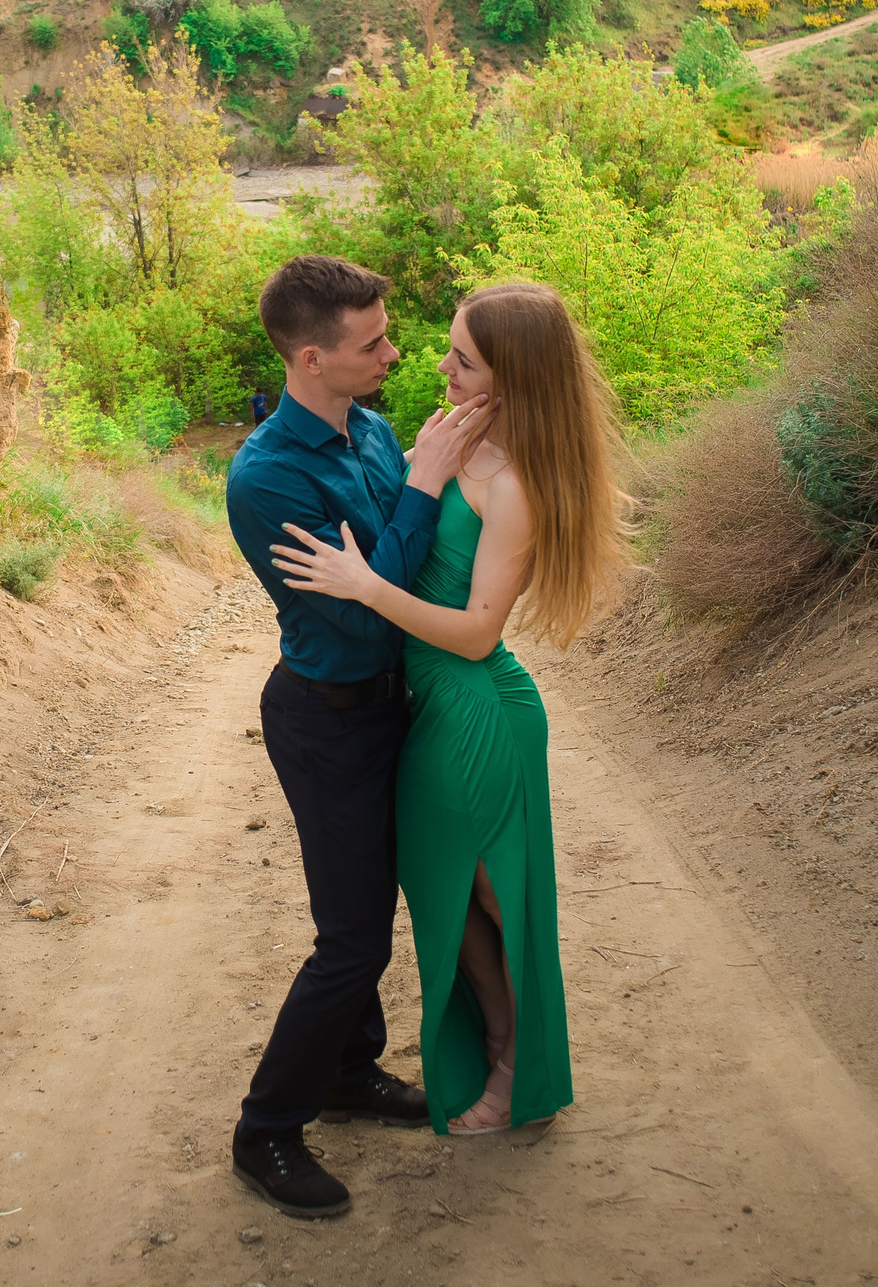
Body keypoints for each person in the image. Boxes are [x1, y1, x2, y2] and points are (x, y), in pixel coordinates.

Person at [271, 282, 625, 1136]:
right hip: (425, 709)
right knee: (447, 896)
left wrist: (366, 586)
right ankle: (495, 1044)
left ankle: (515, 1064)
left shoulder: (516, 484)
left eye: (462, 357)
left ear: (517, 377)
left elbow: (474, 634)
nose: (439, 365)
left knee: (499, 901)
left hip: (474, 711)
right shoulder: (452, 437)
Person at [223, 255, 497, 1220]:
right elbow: (367, 618)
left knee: (384, 907)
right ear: (310, 358)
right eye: (371, 341)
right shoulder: (266, 479)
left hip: (397, 709)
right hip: (326, 717)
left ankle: (349, 1070)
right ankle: (266, 1129)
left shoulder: (376, 430)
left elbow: (399, 572)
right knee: (350, 938)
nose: (393, 350)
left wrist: (435, 480)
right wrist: (423, 486)